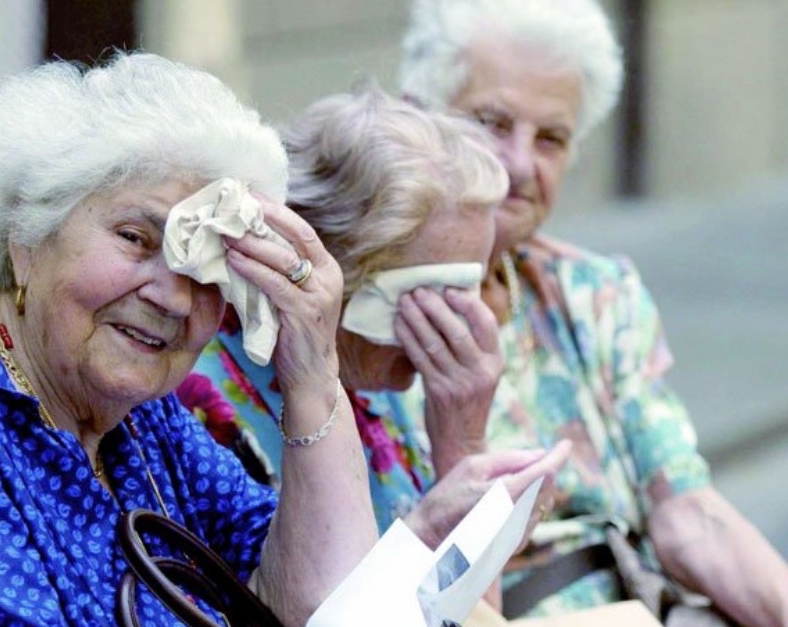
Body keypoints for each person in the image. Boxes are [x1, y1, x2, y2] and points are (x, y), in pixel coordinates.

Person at [0, 53, 471, 627]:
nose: (173, 296)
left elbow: (320, 614)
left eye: (205, 266)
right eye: (135, 238)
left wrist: (312, 373)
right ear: (27, 240)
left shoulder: (145, 426)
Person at [397, 0, 788, 627]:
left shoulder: (593, 293)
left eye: (551, 138)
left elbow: (687, 513)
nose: (522, 164)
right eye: (492, 123)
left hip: (641, 622)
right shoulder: (371, 332)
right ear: (418, 118)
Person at [182, 85, 570, 560]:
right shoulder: (201, 407)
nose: (465, 320)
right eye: (432, 294)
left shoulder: (375, 381)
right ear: (323, 261)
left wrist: (461, 445)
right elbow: (310, 606)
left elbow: (468, 608)